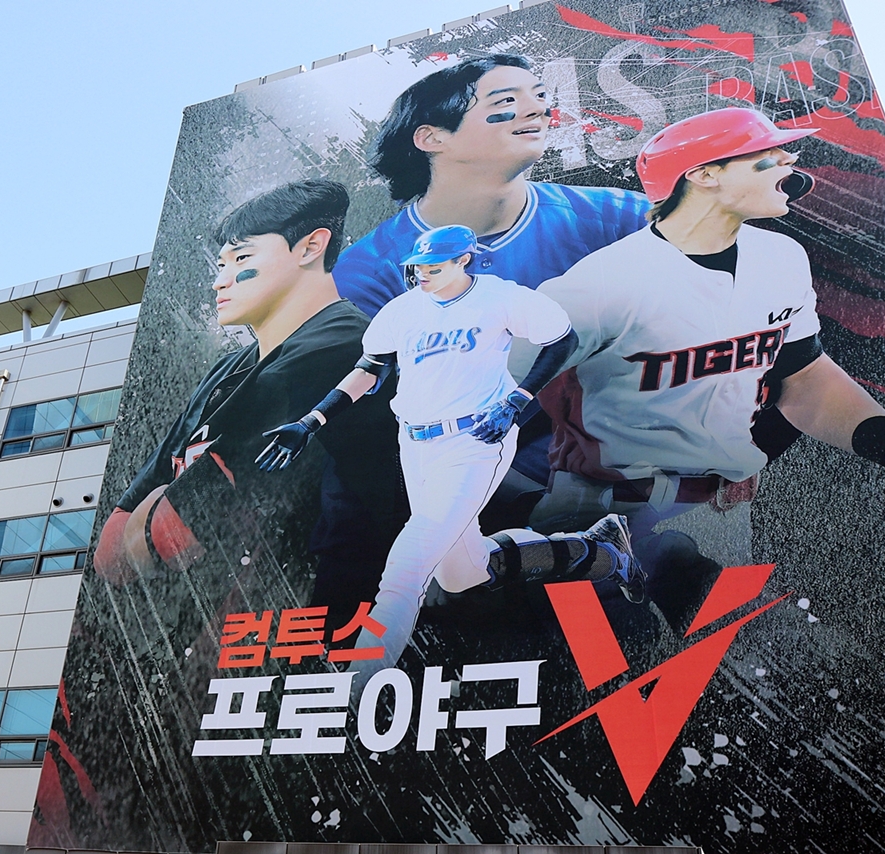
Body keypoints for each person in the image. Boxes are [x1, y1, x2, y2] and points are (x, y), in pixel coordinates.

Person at [528, 107, 885, 607]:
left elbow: (802, 378)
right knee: (605, 652)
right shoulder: (597, 284)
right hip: (599, 514)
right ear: (704, 174)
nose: (790, 159)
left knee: (728, 646)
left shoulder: (781, 257)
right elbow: (486, 403)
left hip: (720, 510)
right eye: (767, 152)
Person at [259, 224, 644, 682]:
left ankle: (358, 687)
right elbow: (369, 370)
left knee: (406, 568)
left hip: (475, 441)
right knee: (461, 573)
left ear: (463, 260)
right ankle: (602, 550)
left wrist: (517, 400)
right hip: (416, 444)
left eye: (434, 267)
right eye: (417, 266)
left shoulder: (499, 296)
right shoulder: (403, 310)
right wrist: (311, 421)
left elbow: (563, 339)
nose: (422, 274)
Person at [330, 52, 653, 504]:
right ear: (432, 138)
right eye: (506, 101)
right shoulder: (365, 275)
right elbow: (367, 425)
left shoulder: (620, 217)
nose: (537, 109)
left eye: (540, 96)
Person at [92, 179, 403, 629]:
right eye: (221, 264)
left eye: (242, 259)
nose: (220, 279)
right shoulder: (228, 368)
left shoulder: (344, 344)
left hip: (325, 624)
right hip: (225, 625)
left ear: (311, 247)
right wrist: (152, 517)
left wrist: (157, 518)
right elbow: (112, 551)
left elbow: (164, 537)